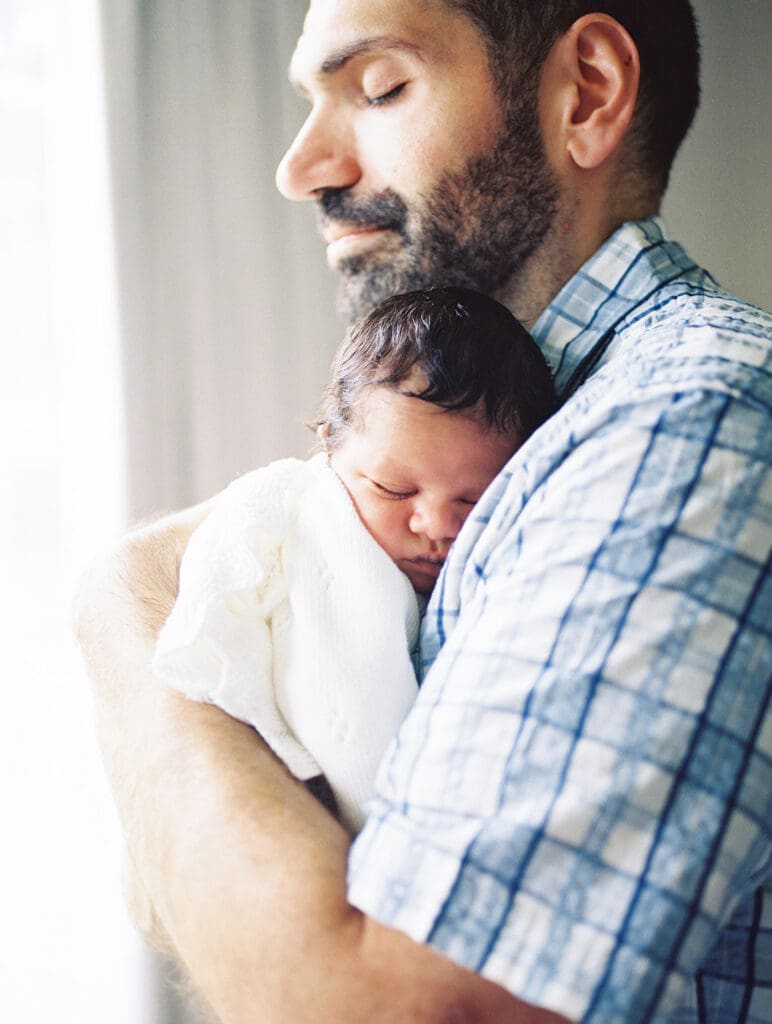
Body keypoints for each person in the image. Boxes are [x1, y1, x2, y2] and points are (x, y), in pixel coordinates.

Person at [74, 1, 771, 1022]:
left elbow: (408, 1008)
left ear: (587, 94)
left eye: (380, 87)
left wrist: (123, 603)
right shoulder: (542, 438)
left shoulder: (689, 422)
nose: (300, 167)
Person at [153, 287, 555, 834]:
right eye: (393, 489)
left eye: (475, 499)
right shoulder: (297, 517)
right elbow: (210, 628)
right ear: (330, 447)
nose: (436, 525)